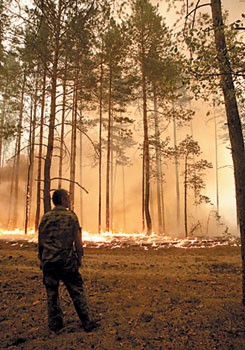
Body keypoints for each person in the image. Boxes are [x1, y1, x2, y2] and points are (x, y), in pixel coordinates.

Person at [38, 189, 98, 333]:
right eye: (68, 197)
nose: (69, 200)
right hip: (66, 261)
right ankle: (87, 322)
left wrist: (42, 258)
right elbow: (77, 241)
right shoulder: (71, 217)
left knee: (52, 294)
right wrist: (79, 257)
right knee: (76, 290)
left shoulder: (45, 217)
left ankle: (55, 325)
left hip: (49, 261)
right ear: (63, 199)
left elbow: (41, 241)